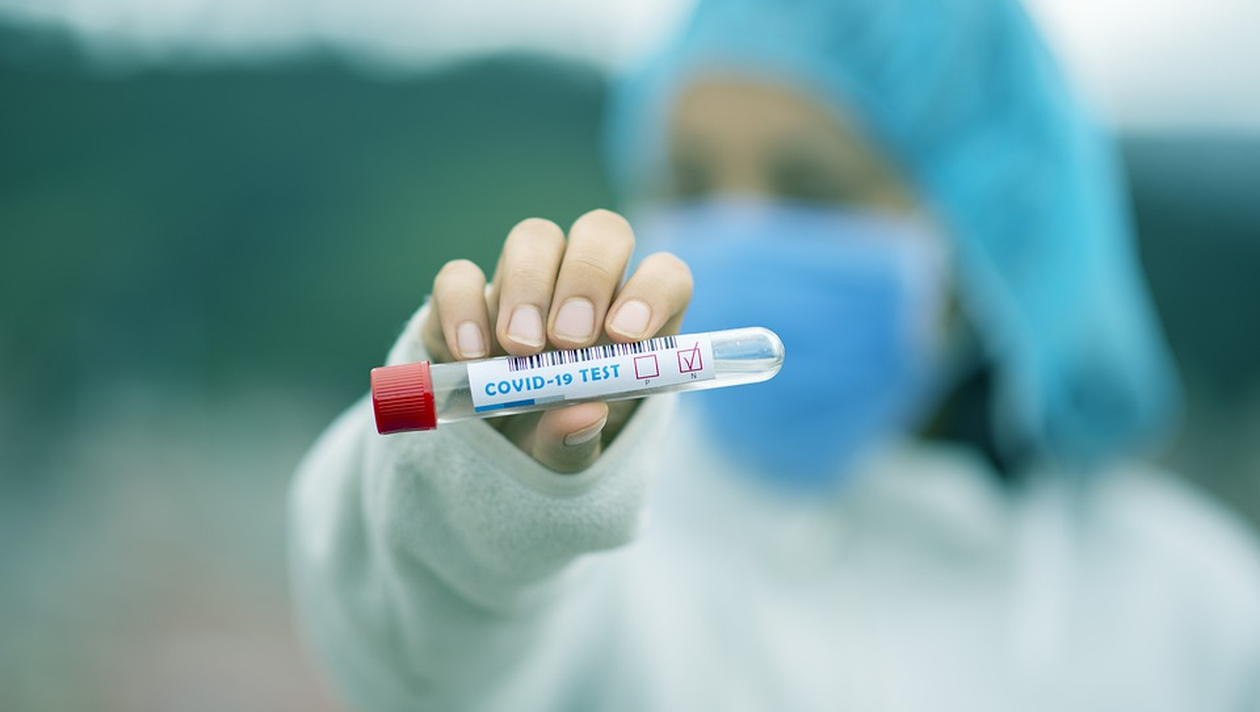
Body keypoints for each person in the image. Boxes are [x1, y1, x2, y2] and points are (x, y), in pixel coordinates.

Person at [289, 0, 1260, 709]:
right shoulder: (618, 542)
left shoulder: (1199, 614)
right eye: (687, 182)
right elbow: (436, 656)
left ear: (990, 231)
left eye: (812, 188)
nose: (737, 235)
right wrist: (487, 493)